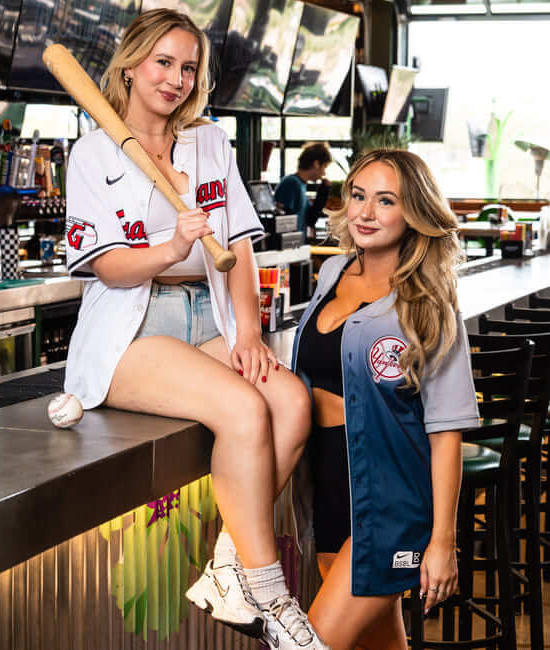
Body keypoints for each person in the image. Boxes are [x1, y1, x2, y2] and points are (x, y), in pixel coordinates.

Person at [63, 9, 327, 650]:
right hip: (133, 328)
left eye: (188, 67)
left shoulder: (210, 142)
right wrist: (166, 246)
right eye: (163, 63)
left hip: (206, 317)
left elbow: (236, 247)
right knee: (241, 408)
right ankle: (271, 595)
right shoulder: (92, 153)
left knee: (289, 399)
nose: (176, 79)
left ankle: (230, 564)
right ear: (130, 65)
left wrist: (247, 332)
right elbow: (107, 267)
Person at [291, 149, 480, 649]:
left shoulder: (428, 302)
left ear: (413, 211)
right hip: (330, 492)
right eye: (358, 196)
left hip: (392, 502)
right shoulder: (333, 274)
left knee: (304, 643)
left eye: (385, 201)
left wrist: (443, 541)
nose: (364, 213)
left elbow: (446, 432)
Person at [274, 143, 332, 240]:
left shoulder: (301, 185)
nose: (324, 173)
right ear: (316, 164)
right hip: (290, 248)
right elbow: (283, 222)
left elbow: (310, 219)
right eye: (324, 167)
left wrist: (323, 192)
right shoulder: (291, 183)